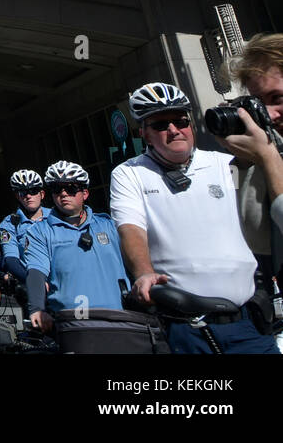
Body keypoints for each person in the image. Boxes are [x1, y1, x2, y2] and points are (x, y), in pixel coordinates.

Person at [111, 82, 278, 354]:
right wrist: (143, 273)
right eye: (161, 125)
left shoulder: (226, 163)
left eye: (180, 121)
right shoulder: (129, 173)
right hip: (187, 329)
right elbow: (131, 228)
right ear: (143, 133)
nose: (174, 130)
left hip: (248, 321)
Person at [24, 161, 129, 334]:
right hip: (74, 325)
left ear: (85, 193)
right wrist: (37, 308)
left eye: (71, 189)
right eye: (57, 189)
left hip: (119, 319)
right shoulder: (39, 232)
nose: (64, 194)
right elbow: (35, 271)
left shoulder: (109, 225)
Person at [220, 33, 283, 241]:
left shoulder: (270, 154)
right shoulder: (272, 146)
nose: (270, 114)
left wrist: (268, 158)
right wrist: (243, 161)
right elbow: (256, 235)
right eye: (259, 103)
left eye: (277, 98)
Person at [0, 169, 47, 289]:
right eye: (23, 193)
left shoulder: (55, 216)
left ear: (42, 194)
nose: (29, 196)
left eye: (33, 191)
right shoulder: (9, 224)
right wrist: (34, 282)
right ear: (17, 196)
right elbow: (11, 260)